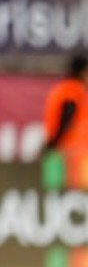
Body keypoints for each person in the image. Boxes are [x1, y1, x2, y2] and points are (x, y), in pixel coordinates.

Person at [44, 54, 88, 188]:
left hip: (65, 152)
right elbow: (67, 117)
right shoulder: (74, 89)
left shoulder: (61, 89)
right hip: (71, 153)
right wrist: (53, 144)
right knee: (75, 193)